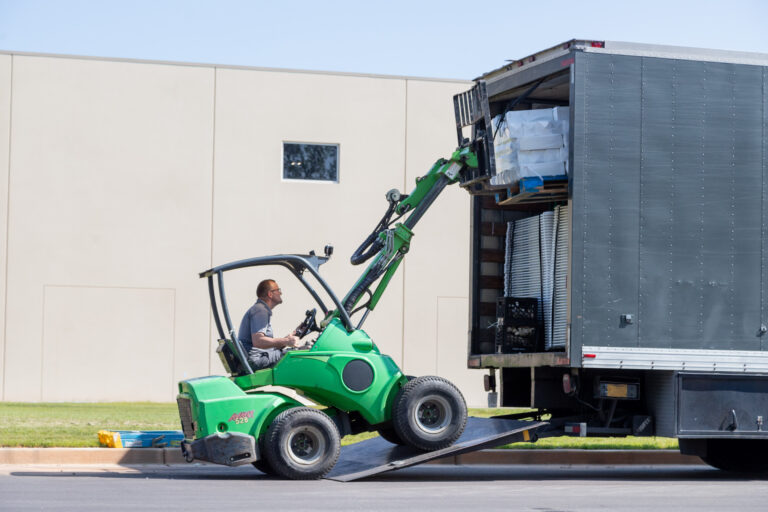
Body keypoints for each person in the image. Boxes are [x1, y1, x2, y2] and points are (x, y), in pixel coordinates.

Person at [238, 279, 300, 370]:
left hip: (258, 356)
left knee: (298, 351)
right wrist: (286, 341)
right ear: (270, 294)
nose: (280, 293)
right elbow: (258, 341)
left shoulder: (259, 309)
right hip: (257, 359)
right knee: (300, 354)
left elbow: (265, 344)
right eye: (278, 290)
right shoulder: (260, 310)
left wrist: (286, 339)